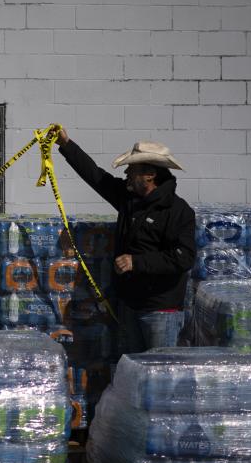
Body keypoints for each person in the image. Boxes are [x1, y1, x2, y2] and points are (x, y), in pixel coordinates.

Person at [55, 127, 195, 353]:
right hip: (129, 306)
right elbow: (96, 177)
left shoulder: (178, 211)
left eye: (132, 169)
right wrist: (66, 144)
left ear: (149, 175)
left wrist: (137, 262)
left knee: (158, 377)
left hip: (160, 312)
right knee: (131, 373)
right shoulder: (129, 200)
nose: (126, 173)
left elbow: (184, 258)